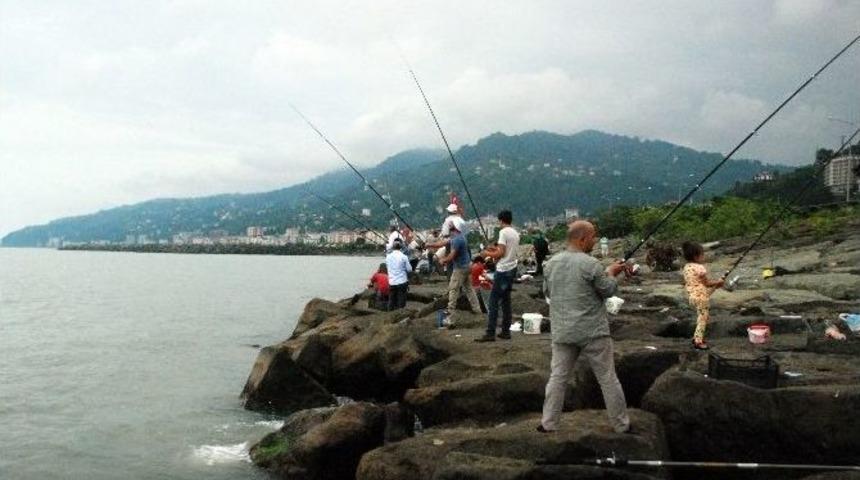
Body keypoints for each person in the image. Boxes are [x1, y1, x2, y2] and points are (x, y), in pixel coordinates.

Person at [538, 220, 631, 434]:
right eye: (593, 236)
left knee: (557, 378)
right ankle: (621, 425)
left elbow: (548, 292)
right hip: (593, 332)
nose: (595, 240)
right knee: (607, 379)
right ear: (582, 239)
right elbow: (608, 290)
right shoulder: (591, 264)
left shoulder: (551, 264)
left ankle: (548, 423)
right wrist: (611, 273)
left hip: (562, 331)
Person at [476, 210, 520, 342]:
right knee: (506, 301)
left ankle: (490, 333)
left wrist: (486, 254)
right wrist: (493, 250)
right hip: (512, 268)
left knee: (493, 301)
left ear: (501, 220)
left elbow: (501, 253)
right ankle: (506, 331)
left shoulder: (503, 232)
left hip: (503, 270)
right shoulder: (515, 233)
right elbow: (505, 251)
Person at [682, 241, 724, 350]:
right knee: (703, 319)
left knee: (700, 316)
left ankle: (697, 336)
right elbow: (707, 283)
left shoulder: (686, 267)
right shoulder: (700, 268)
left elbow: (699, 285)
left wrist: (717, 284)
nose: (703, 257)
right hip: (701, 297)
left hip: (692, 296)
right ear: (696, 256)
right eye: (702, 254)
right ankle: (698, 341)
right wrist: (717, 282)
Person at [439, 218, 481, 326]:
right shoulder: (461, 236)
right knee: (469, 289)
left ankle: (450, 314)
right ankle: (477, 310)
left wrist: (443, 260)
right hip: (467, 266)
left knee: (453, 290)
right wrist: (429, 245)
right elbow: (443, 242)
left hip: (460, 268)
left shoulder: (456, 240)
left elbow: (451, 256)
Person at [385, 241, 412, 310]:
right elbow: (409, 269)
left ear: (392, 247)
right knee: (401, 299)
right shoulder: (404, 257)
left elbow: (387, 267)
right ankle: (400, 311)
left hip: (392, 281)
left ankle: (390, 312)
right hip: (402, 281)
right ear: (401, 248)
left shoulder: (388, 257)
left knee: (391, 299)